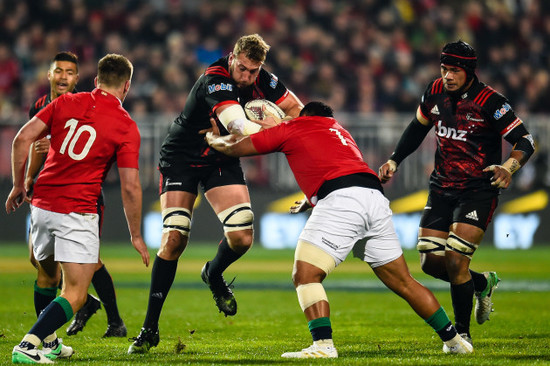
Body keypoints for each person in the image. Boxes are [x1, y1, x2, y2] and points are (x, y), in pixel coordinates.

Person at [205, 101, 473, 358]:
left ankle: (323, 344)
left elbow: (236, 147)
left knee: (306, 275)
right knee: (405, 282)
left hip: (343, 203)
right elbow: (335, 167)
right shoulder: (339, 130)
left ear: (304, 116)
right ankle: (454, 341)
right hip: (374, 200)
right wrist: (313, 200)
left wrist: (212, 140)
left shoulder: (295, 127)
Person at [127, 33, 303, 354]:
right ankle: (149, 329)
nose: (249, 77)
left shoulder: (265, 80)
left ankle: (213, 272)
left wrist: (289, 124)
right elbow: (238, 126)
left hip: (221, 156)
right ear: (233, 58)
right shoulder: (216, 78)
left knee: (242, 236)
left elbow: (299, 113)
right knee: (174, 239)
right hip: (182, 157)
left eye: (255, 71)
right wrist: (277, 129)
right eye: (244, 69)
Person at [378, 40, 535, 347]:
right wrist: (395, 159)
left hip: (478, 190)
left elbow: (525, 140)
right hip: (441, 187)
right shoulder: (434, 91)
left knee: (454, 259)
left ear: (468, 72)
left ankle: (461, 334)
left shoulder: (491, 101)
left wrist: (509, 167)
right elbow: (417, 127)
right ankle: (482, 282)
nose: (447, 75)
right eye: (444, 68)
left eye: (454, 70)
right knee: (429, 263)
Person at [6, 53, 150, 364]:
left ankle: (51, 342)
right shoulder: (126, 126)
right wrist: (136, 235)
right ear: (127, 86)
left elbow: (21, 139)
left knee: (46, 277)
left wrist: (19, 185)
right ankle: (29, 345)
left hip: (41, 205)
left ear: (96, 80)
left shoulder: (64, 102)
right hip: (78, 210)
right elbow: (130, 186)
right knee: (76, 293)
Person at [25, 51, 128, 339]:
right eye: (58, 71)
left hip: (82, 194)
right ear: (49, 74)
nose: (63, 77)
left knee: (89, 261)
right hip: (48, 193)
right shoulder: (40, 106)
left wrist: (54, 146)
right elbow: (32, 144)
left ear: (77, 79)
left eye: (70, 73)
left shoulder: (83, 105)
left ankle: (113, 319)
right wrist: (28, 179)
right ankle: (64, 319)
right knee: (40, 261)